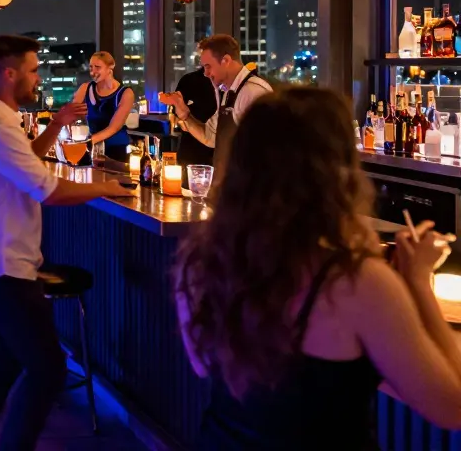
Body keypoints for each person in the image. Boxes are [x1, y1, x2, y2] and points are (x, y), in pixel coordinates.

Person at [174, 87, 461, 449]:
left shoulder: (199, 263)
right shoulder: (359, 283)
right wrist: (418, 282)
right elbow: (452, 406)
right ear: (336, 173)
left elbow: (205, 366)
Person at [0, 36, 130, 451]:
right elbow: (46, 189)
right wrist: (104, 186)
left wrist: (54, 125)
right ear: (9, 73)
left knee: (5, 363)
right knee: (48, 369)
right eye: (33, 70)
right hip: (4, 267)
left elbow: (27, 163)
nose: (38, 78)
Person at [159, 34, 271, 159]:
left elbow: (268, 149)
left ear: (226, 61)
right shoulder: (229, 93)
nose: (206, 74)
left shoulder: (252, 92)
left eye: (208, 66)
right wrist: (185, 114)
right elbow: (210, 136)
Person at [71, 51, 135, 163]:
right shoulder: (86, 88)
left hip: (116, 152)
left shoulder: (125, 93)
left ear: (110, 68)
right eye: (91, 67)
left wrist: (88, 142)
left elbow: (114, 127)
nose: (93, 72)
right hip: (92, 148)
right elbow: (70, 114)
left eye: (97, 67)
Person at [172, 67, 218, 176]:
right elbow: (176, 117)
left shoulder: (225, 85)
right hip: (190, 151)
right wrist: (184, 121)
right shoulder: (189, 80)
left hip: (217, 154)